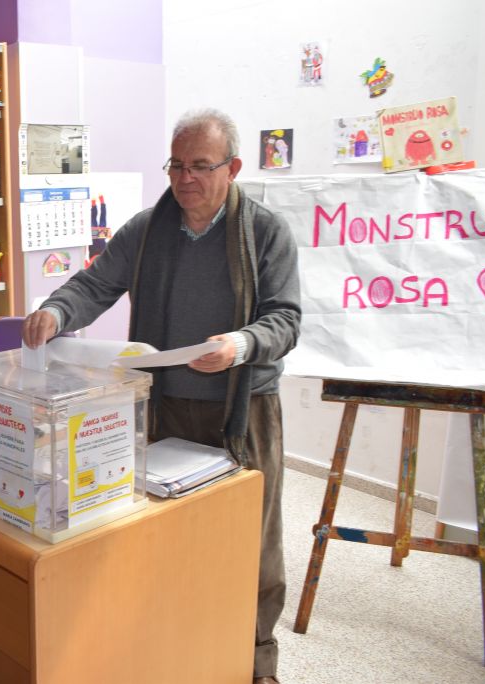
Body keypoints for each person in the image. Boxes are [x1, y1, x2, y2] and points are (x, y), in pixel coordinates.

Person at [23, 108, 301, 684]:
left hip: (242, 410)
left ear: (233, 169)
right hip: (162, 408)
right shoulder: (147, 229)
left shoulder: (265, 232)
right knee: (166, 534)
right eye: (176, 165)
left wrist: (241, 344)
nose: (185, 178)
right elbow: (94, 284)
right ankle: (178, 650)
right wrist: (56, 311)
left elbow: (285, 320)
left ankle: (257, 663)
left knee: (252, 541)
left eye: (200, 165)